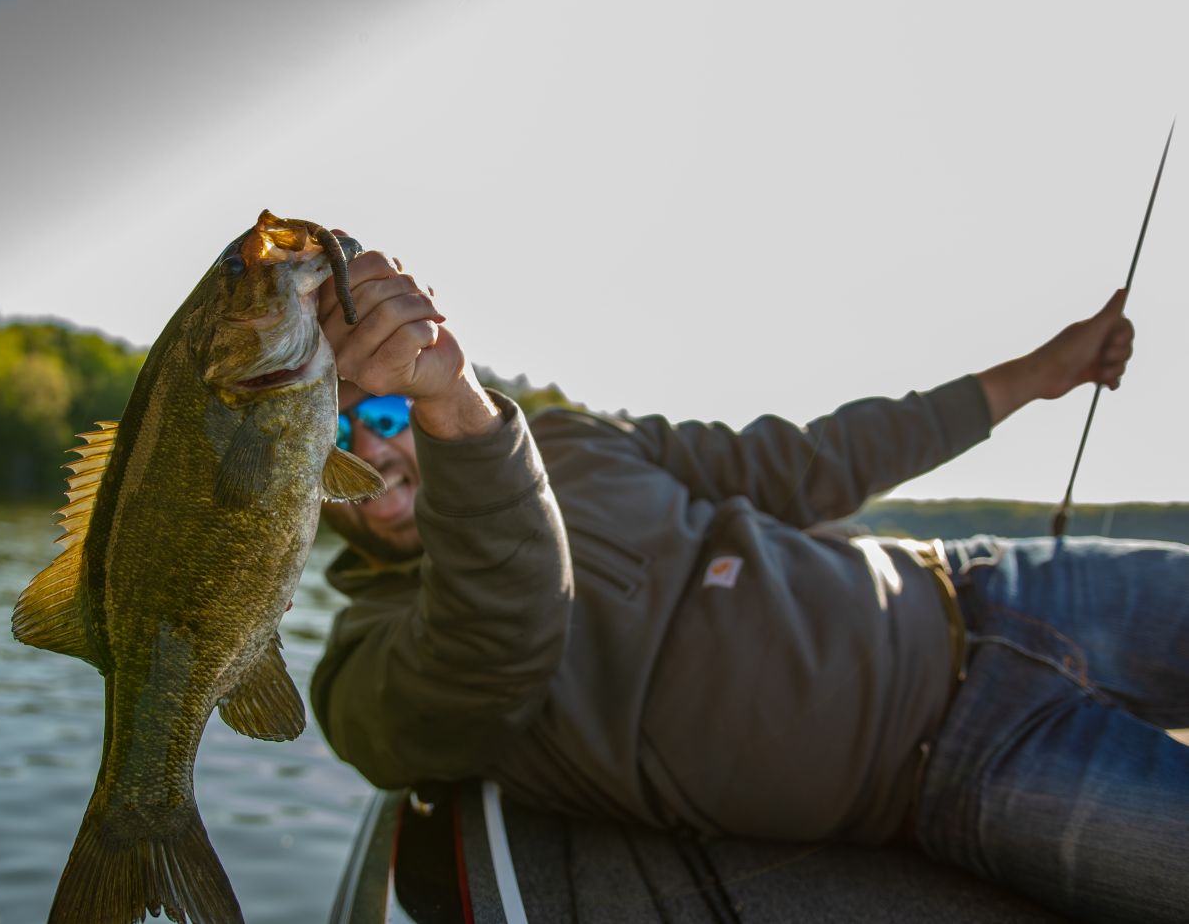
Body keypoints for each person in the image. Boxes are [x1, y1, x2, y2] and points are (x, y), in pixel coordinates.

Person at [310, 246, 1187, 924]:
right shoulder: (359, 672)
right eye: (335, 438)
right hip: (968, 768)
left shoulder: (571, 440)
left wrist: (1039, 373)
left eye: (385, 414)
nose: (372, 448)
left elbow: (813, 461)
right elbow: (488, 647)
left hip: (989, 583)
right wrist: (460, 415)